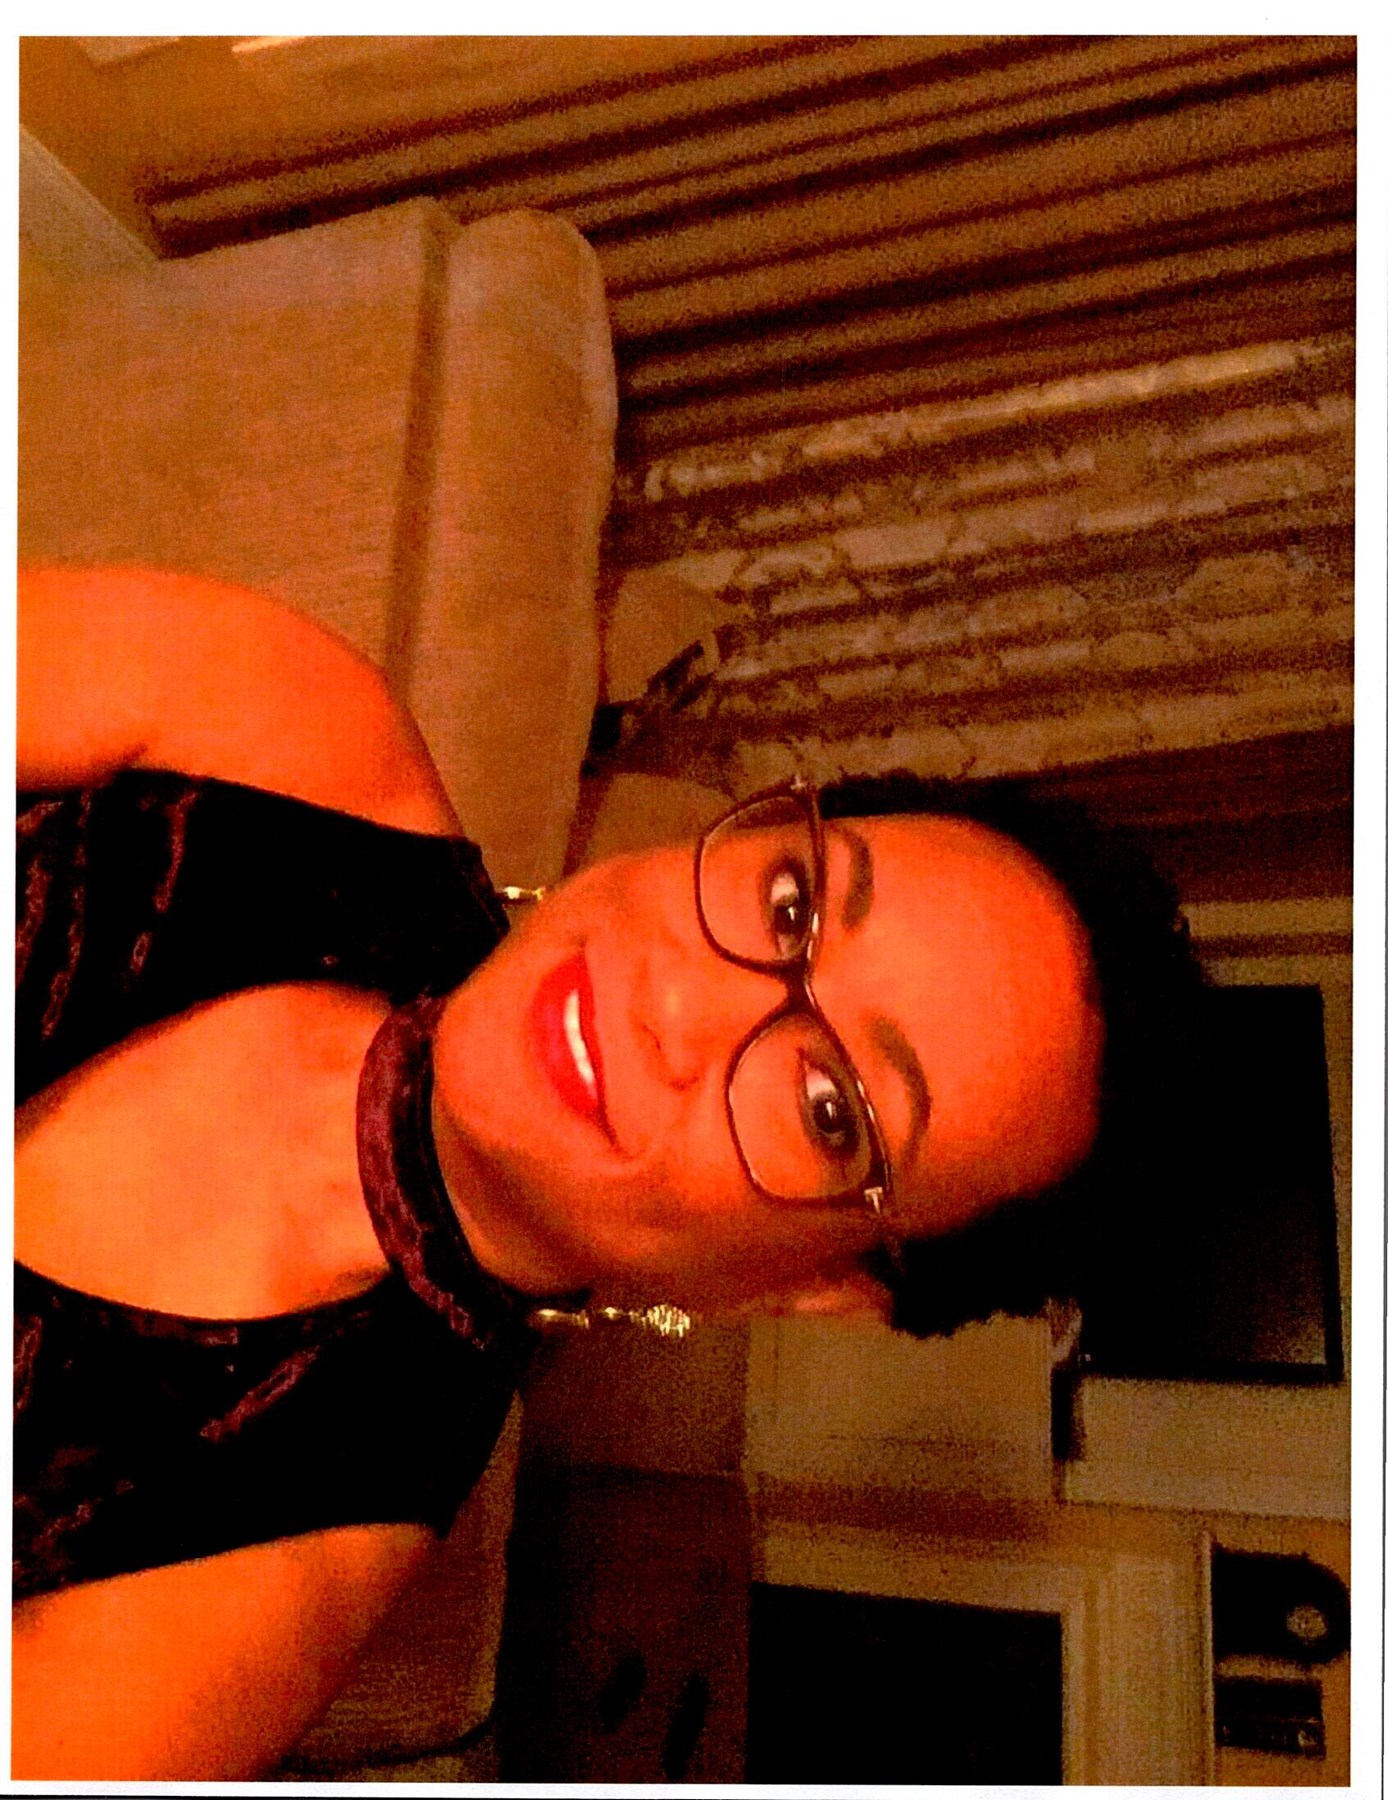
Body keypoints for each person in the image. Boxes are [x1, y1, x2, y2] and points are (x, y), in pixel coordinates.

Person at [12, 562, 1194, 1780]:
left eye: (826, 1108)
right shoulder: (279, 722)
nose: (680, 1005)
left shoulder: (230, 1603)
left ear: (813, 1287)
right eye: (790, 905)